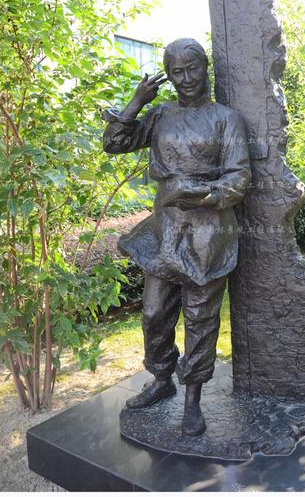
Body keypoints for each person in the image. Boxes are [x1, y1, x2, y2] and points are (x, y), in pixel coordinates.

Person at [103, 38, 251, 436]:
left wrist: (200, 194)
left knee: (200, 317)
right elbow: (114, 143)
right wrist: (136, 103)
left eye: (192, 68)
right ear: (168, 76)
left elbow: (239, 177)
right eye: (176, 72)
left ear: (205, 67)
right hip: (164, 230)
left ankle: (193, 399)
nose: (186, 79)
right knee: (154, 312)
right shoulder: (161, 114)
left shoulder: (225, 118)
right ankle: (161, 378)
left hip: (208, 233)